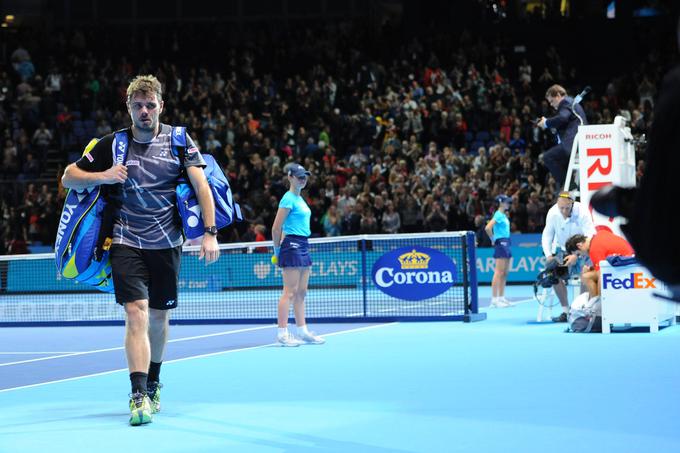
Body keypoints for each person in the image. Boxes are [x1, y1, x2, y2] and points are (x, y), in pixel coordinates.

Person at [61, 75, 220, 426]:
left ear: (161, 105)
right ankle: (137, 394)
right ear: (129, 108)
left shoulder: (180, 141)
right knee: (136, 313)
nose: (145, 111)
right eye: (138, 106)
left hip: (166, 244)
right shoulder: (113, 144)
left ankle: (154, 381)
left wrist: (210, 233)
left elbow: (202, 186)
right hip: (125, 241)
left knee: (160, 319)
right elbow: (68, 177)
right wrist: (104, 176)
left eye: (150, 105)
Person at [271, 163, 325, 347]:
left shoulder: (301, 200)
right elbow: (276, 228)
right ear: (290, 177)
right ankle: (282, 334)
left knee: (301, 292)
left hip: (303, 244)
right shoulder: (288, 199)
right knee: (290, 292)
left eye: (305, 176)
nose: (303, 179)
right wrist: (277, 251)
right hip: (291, 245)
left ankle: (302, 331)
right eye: (299, 176)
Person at [541, 191, 596, 322]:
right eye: (561, 208)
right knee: (552, 272)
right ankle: (566, 311)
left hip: (582, 251)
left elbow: (590, 236)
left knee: (586, 274)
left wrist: (577, 255)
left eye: (567, 208)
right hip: (563, 250)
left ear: (572, 203)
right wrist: (549, 255)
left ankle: (581, 310)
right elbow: (547, 235)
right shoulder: (553, 212)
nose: (564, 211)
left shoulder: (582, 211)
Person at [537, 84, 587, 191]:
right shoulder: (571, 103)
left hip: (573, 143)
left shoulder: (566, 102)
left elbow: (562, 118)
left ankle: (568, 185)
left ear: (558, 95)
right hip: (577, 142)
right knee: (560, 165)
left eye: (551, 101)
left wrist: (546, 123)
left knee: (547, 157)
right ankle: (570, 185)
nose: (551, 104)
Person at [565, 229, 634, 299]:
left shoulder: (594, 250)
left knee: (586, 276)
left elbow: (602, 276)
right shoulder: (601, 233)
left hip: (627, 268)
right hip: (630, 261)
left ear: (579, 245)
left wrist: (599, 300)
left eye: (579, 254)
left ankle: (597, 305)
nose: (582, 256)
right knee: (589, 271)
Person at [485, 194, 513, 308]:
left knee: (504, 272)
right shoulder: (498, 214)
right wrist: (493, 239)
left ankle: (501, 298)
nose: (508, 204)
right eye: (506, 202)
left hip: (506, 242)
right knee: (498, 272)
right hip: (501, 243)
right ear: (501, 203)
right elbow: (488, 228)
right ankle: (494, 300)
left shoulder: (503, 215)